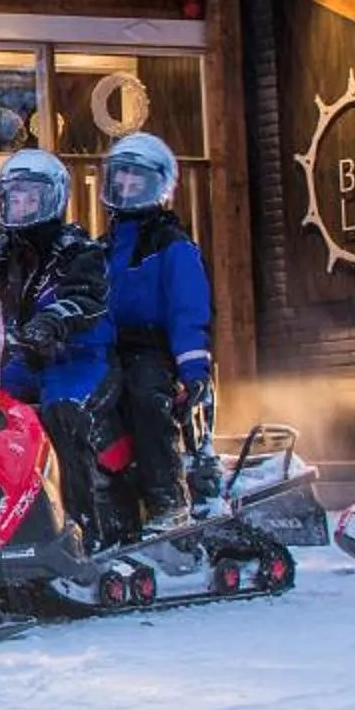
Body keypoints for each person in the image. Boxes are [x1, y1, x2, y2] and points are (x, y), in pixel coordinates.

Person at [0, 147, 113, 536]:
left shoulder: (79, 251)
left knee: (62, 413)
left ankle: (82, 526)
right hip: (24, 359)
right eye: (14, 197)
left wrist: (53, 320)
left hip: (76, 357)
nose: (20, 206)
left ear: (52, 199)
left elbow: (85, 296)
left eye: (30, 198)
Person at [99, 131, 214, 529]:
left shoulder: (171, 244)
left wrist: (193, 368)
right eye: (121, 175)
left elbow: (188, 308)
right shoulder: (101, 247)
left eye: (138, 178)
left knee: (146, 398)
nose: (128, 184)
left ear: (159, 185)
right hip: (107, 348)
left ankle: (168, 498)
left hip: (152, 348)